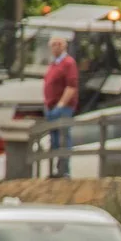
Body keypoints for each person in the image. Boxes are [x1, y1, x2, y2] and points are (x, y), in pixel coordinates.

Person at [43, 35, 78, 179]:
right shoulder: (54, 64)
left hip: (62, 107)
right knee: (54, 140)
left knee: (63, 138)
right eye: (53, 44)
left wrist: (61, 104)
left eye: (59, 44)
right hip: (50, 106)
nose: (56, 47)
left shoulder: (68, 63)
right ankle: (56, 170)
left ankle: (64, 171)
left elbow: (71, 86)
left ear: (64, 46)